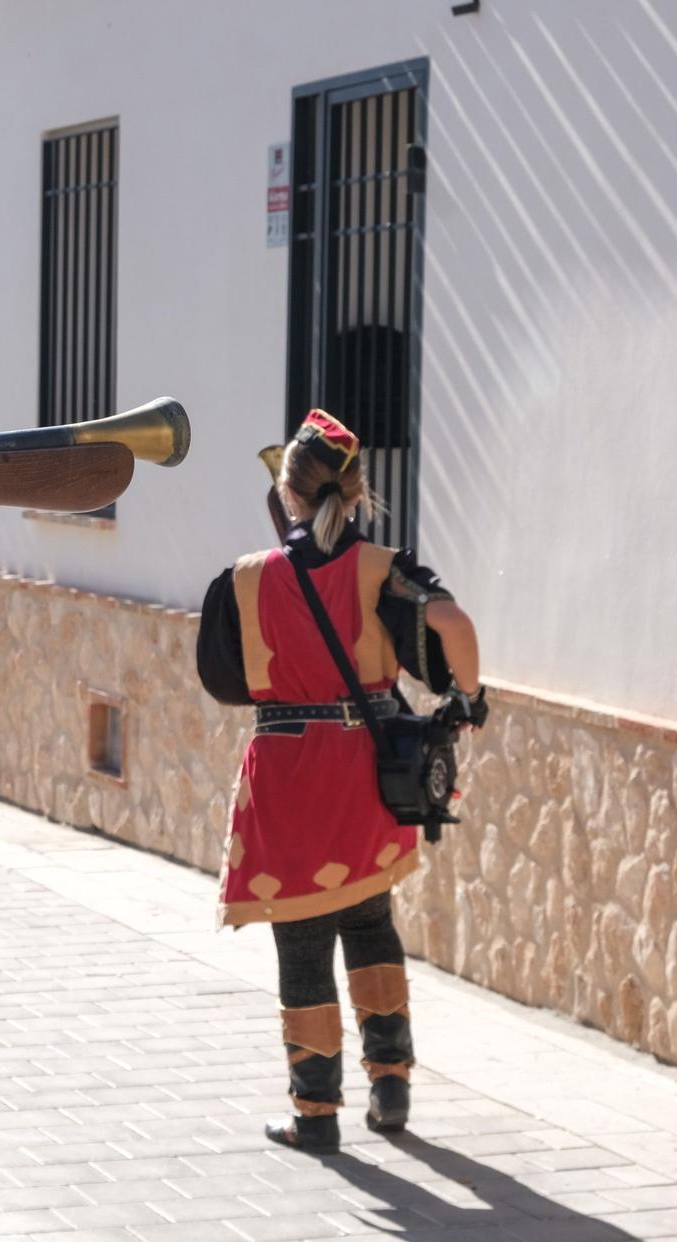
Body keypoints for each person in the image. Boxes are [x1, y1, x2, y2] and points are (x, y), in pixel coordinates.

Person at [196, 409, 486, 1154]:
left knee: (301, 946)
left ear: (288, 492)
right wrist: (469, 698)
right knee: (369, 919)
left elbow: (226, 683)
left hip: (288, 774)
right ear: (354, 493)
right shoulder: (381, 569)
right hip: (364, 773)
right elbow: (451, 621)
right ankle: (391, 1083)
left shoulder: (243, 579)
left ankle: (315, 1114)